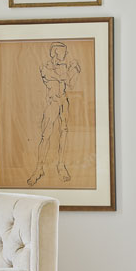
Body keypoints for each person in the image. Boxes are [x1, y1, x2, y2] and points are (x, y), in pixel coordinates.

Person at [27, 40, 80, 186]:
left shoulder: (64, 67)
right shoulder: (45, 67)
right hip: (52, 103)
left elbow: (71, 83)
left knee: (64, 132)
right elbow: (61, 78)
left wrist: (75, 70)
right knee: (46, 135)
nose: (66, 54)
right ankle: (39, 168)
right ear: (55, 52)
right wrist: (71, 70)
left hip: (63, 102)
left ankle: (61, 165)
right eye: (63, 52)